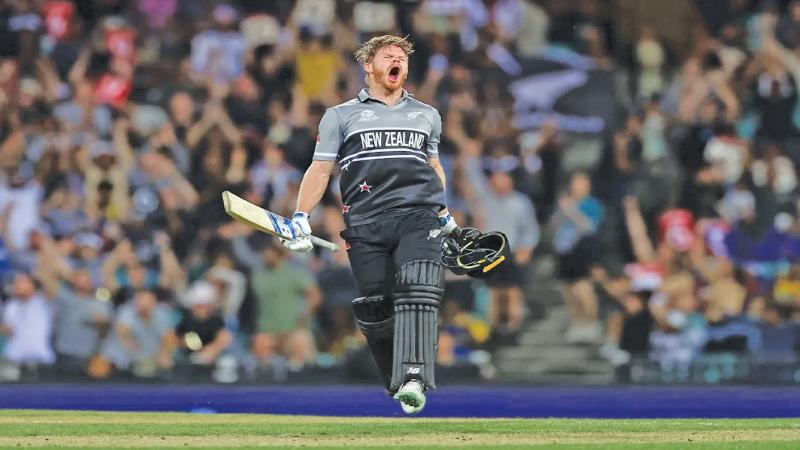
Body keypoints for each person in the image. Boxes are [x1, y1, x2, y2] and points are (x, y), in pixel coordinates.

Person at [282, 35, 459, 414]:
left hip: (418, 215)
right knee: (376, 305)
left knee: (420, 282)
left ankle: (415, 376)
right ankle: (398, 381)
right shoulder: (340, 115)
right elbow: (321, 168)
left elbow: (433, 168)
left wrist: (445, 217)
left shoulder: (427, 114)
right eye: (390, 56)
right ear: (369, 66)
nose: (399, 62)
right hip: (365, 222)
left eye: (403, 58)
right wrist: (301, 216)